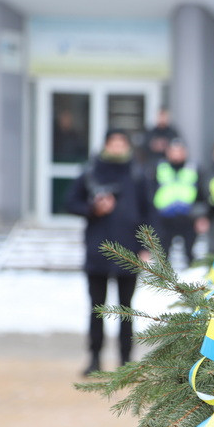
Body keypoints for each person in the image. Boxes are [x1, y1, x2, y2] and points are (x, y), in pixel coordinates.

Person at [64, 129, 152, 376]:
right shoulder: (91, 172)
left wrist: (146, 246)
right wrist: (93, 209)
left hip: (129, 252)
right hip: (97, 252)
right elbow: (70, 202)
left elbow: (148, 212)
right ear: (105, 145)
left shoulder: (137, 174)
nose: (117, 147)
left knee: (126, 309)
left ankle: (126, 361)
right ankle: (94, 359)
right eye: (112, 142)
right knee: (97, 308)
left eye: (121, 143)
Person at [152, 138, 202, 266]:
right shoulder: (158, 167)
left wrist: (199, 214)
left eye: (180, 151)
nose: (176, 154)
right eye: (173, 150)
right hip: (164, 218)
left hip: (188, 217)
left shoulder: (194, 168)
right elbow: (149, 192)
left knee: (190, 252)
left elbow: (202, 193)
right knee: (162, 254)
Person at [141, 108, 180, 177]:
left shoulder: (173, 133)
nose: (162, 119)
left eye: (164, 116)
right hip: (151, 166)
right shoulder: (150, 133)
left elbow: (178, 148)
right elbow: (143, 149)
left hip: (169, 167)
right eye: (160, 116)